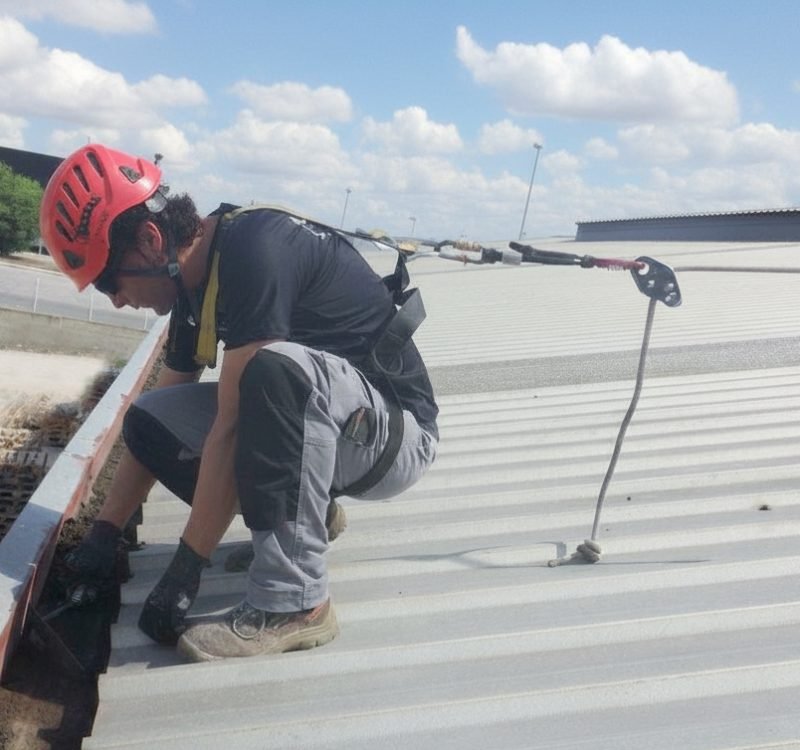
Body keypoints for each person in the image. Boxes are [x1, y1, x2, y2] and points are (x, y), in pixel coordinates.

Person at [40, 144, 439, 662]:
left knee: (272, 373)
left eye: (109, 280)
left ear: (149, 238)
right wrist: (103, 534)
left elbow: (230, 428)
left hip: (392, 436)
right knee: (150, 419)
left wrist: (186, 569)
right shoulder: (190, 287)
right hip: (332, 430)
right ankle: (311, 518)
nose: (115, 299)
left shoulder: (254, 248)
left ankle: (296, 603)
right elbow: (157, 422)